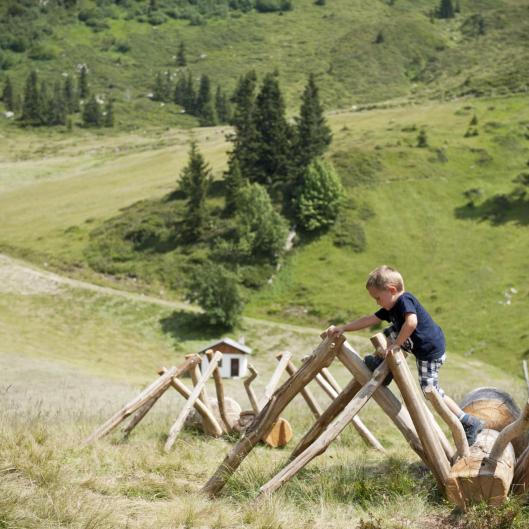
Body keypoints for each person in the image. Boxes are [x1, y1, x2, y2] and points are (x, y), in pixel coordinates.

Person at [326, 265, 484, 445]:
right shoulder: (391, 307)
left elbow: (411, 322)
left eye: (378, 298)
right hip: (418, 346)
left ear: (392, 290)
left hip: (430, 351)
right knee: (389, 332)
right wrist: (343, 328)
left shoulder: (404, 300)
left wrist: (397, 345)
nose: (377, 302)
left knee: (430, 391)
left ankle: (468, 421)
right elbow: (369, 320)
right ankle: (384, 367)